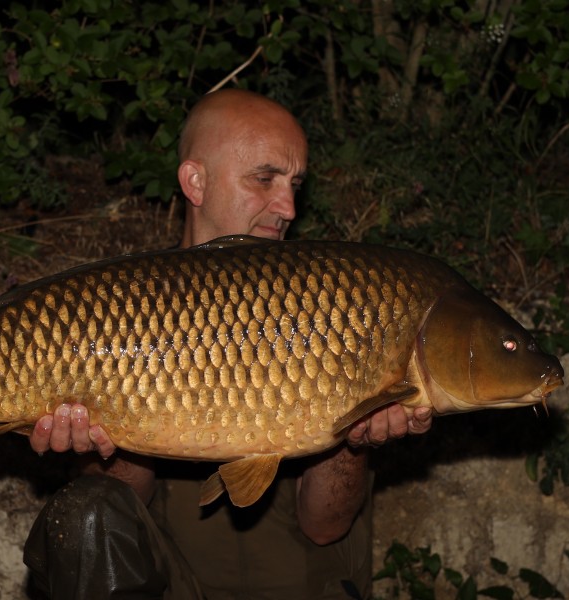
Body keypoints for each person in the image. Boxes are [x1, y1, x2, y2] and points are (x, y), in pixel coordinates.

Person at [22, 89, 434, 599]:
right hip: (177, 586)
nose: (286, 207)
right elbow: (121, 505)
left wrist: (356, 439)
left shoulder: (332, 298)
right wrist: (92, 438)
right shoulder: (127, 311)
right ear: (196, 181)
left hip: (301, 586)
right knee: (85, 514)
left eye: (295, 184)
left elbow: (325, 524)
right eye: (265, 179)